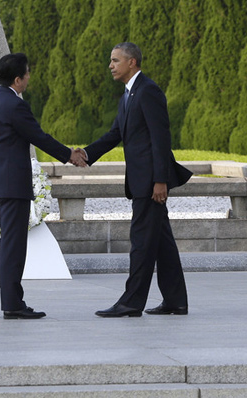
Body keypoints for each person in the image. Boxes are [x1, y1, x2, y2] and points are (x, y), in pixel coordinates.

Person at [79, 43, 192, 318]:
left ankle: (131, 302)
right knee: (162, 243)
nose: (110, 65)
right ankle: (176, 301)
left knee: (141, 242)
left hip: (150, 183)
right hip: (142, 181)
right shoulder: (128, 96)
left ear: (132, 62)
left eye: (115, 60)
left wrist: (160, 180)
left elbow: (160, 138)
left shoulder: (148, 91)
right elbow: (115, 133)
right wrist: (85, 153)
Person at [0, 53, 86, 320]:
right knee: (14, 244)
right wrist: (69, 154)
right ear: (18, 79)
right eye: (28, 74)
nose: (29, 78)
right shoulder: (15, 105)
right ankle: (12, 304)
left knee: (9, 241)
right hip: (13, 184)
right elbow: (38, 137)